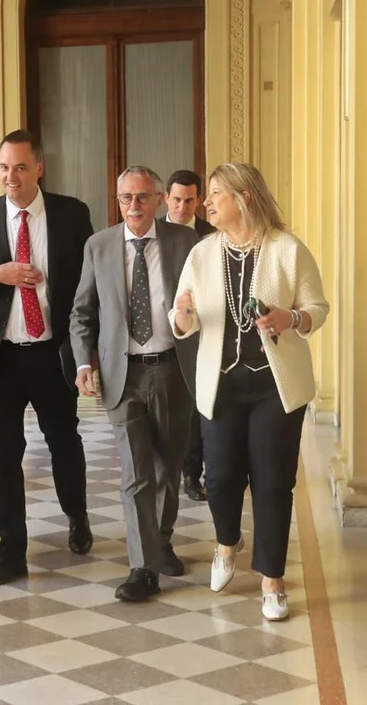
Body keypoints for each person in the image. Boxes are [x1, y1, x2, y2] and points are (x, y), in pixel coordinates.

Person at [170, 162, 329, 621]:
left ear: (243, 198)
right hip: (220, 385)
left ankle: (272, 579)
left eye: (215, 193)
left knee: (273, 482)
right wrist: (182, 317)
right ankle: (227, 543)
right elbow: (182, 319)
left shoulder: (287, 249)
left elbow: (317, 308)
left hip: (275, 388)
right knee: (219, 479)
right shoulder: (202, 253)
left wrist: (290, 318)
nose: (207, 202)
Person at [0, 130, 94, 586]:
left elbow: (89, 284)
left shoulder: (72, 214)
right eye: (3, 168)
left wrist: (88, 352)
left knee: (64, 443)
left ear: (39, 168)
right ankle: (11, 551)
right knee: (2, 456)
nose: (10, 177)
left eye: (19, 167)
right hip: (3, 359)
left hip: (53, 353)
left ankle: (77, 516)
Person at [70, 165, 199, 603]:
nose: (134, 205)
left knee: (168, 466)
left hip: (173, 369)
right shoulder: (99, 246)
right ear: (118, 200)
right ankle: (143, 567)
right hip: (121, 374)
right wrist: (82, 364)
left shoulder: (185, 242)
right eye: (126, 197)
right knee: (136, 472)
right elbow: (82, 312)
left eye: (143, 197)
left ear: (160, 200)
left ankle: (160, 540)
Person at [164, 169, 217, 503]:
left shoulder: (212, 235)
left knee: (201, 405)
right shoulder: (153, 232)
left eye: (189, 200)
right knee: (174, 407)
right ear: (166, 199)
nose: (182, 207)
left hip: (204, 331)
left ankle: (198, 473)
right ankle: (177, 471)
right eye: (176, 200)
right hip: (163, 332)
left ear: (199, 201)